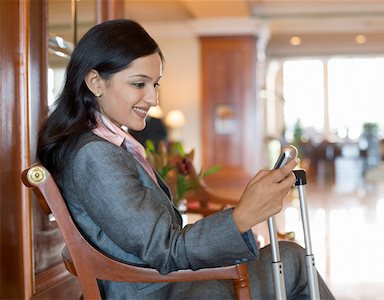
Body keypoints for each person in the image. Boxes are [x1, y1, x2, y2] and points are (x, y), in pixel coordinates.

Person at [37, 19, 335, 299]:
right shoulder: (95, 155)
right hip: (161, 291)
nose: (153, 98)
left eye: (155, 84)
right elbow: (167, 249)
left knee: (288, 255)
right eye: (139, 84)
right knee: (293, 260)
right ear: (95, 82)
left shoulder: (102, 144)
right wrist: (242, 215)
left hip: (165, 283)